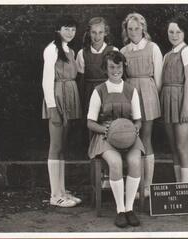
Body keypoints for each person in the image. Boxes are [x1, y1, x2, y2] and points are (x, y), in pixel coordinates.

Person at [87, 51, 144, 228]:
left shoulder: (130, 90)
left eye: (119, 66)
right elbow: (90, 122)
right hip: (105, 136)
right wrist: (108, 129)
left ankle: (129, 209)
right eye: (111, 67)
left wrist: (135, 128)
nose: (115, 70)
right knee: (116, 162)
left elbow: (138, 120)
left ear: (123, 67)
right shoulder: (99, 91)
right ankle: (120, 210)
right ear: (106, 69)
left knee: (135, 161)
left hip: (128, 135)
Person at [120, 12, 163, 197]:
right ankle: (134, 185)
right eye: (130, 29)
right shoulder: (123, 51)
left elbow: (159, 78)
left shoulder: (153, 47)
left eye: (137, 28)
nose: (134, 31)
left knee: (146, 138)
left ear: (143, 28)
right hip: (130, 94)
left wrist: (151, 94)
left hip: (147, 92)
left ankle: (147, 186)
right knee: (130, 140)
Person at [42, 15, 82, 207]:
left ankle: (62, 191)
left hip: (70, 97)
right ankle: (54, 195)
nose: (70, 32)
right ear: (58, 29)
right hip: (57, 98)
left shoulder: (71, 50)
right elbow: (46, 80)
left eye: (73, 29)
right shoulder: (51, 49)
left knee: (63, 147)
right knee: (55, 146)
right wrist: (52, 107)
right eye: (66, 28)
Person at [76, 17, 118, 189]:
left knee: (111, 132)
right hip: (90, 94)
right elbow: (81, 80)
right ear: (89, 33)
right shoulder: (82, 53)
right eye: (93, 32)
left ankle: (110, 176)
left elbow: (118, 75)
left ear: (105, 33)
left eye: (100, 32)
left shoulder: (113, 50)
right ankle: (96, 181)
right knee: (93, 134)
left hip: (108, 94)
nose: (97, 36)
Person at [160, 14, 188, 182]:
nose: (174, 35)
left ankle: (185, 188)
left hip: (183, 100)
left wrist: (185, 107)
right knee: (174, 147)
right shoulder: (167, 55)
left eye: (178, 32)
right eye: (171, 32)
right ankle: (178, 185)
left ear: (184, 33)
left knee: (182, 147)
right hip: (167, 101)